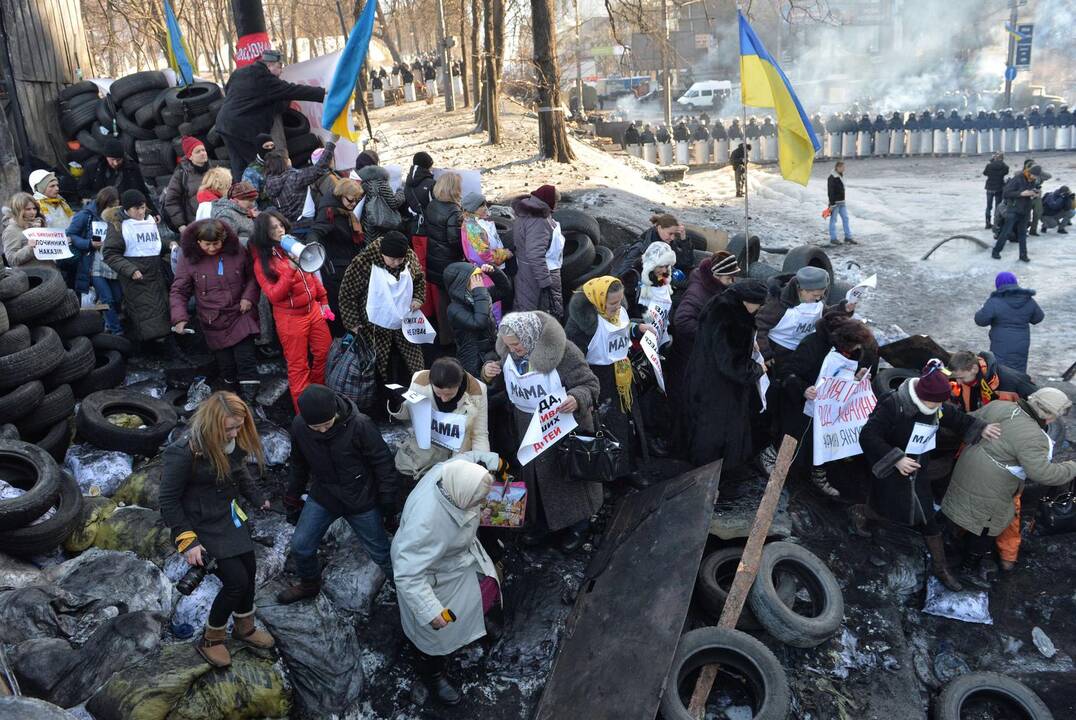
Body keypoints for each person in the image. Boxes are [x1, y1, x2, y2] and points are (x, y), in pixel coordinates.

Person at [859, 361, 999, 591]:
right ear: (922, 396)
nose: (939, 407)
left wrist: (980, 427)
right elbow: (869, 435)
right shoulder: (893, 405)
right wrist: (897, 459)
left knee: (927, 517)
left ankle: (940, 567)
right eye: (936, 402)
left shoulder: (936, 407)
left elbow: (955, 417)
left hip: (918, 471)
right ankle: (866, 521)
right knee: (880, 502)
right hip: (892, 470)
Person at [159, 391, 273, 667]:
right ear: (212, 425)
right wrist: (188, 541)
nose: (235, 433)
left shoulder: (233, 443)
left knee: (249, 571)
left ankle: (245, 627)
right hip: (199, 525)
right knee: (235, 582)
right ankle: (212, 638)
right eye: (229, 428)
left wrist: (258, 498)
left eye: (238, 426)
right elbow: (168, 500)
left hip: (228, 516)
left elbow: (238, 471)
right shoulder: (183, 452)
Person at [481, 312, 600, 552]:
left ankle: (579, 522)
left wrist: (577, 399)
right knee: (537, 478)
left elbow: (590, 384)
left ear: (531, 337)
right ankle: (544, 522)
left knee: (568, 476)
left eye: (518, 344)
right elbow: (497, 375)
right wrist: (487, 372)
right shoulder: (507, 352)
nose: (514, 350)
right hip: (527, 426)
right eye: (509, 345)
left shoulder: (564, 351)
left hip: (564, 426)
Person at [391, 455, 503, 706]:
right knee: (432, 634)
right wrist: (430, 610)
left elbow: (471, 458)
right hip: (432, 576)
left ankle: (477, 623)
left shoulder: (452, 475)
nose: (484, 504)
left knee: (478, 592)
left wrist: (494, 462)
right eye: (479, 501)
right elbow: (408, 573)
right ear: (463, 497)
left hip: (457, 561)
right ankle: (432, 674)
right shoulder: (426, 523)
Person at [277, 384, 398, 603]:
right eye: (316, 427)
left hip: (361, 498)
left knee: (381, 552)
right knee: (301, 546)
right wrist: (292, 497)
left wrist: (388, 501)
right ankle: (309, 584)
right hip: (325, 494)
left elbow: (383, 463)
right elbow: (298, 464)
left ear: (335, 412)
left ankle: (406, 590)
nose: (323, 430)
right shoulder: (299, 427)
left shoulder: (361, 425)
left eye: (326, 424)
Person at [943, 388, 1074, 580]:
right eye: (1055, 415)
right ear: (1047, 414)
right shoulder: (1034, 437)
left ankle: (947, 545)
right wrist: (1071, 467)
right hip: (992, 482)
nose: (1055, 420)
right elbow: (1043, 473)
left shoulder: (1000, 406)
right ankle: (968, 568)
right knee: (987, 525)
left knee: (961, 508)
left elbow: (968, 420)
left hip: (968, 464)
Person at [565, 277, 655, 488]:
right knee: (605, 427)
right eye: (612, 303)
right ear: (598, 301)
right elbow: (572, 357)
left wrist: (638, 328)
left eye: (619, 301)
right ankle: (608, 475)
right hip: (599, 379)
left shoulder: (619, 312)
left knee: (629, 424)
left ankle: (629, 468)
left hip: (623, 377)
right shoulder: (580, 325)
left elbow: (623, 327)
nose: (617, 306)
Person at [775, 312, 877, 498]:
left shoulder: (855, 350)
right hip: (803, 405)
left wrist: (858, 378)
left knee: (823, 442)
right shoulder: (812, 345)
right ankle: (776, 464)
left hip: (831, 408)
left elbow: (844, 377)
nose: (856, 349)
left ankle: (818, 473)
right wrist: (803, 388)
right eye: (854, 346)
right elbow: (787, 372)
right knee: (796, 441)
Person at [250, 210, 332, 409]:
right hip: (290, 318)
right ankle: (305, 412)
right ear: (264, 233)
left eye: (280, 225)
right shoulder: (262, 263)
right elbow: (274, 295)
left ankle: (319, 397)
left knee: (325, 353)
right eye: (273, 228)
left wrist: (323, 300)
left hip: (312, 310)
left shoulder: (291, 247)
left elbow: (311, 277)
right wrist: (291, 271)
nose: (280, 230)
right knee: (298, 366)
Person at [683, 279, 769, 468]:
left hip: (702, 374)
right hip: (720, 389)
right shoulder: (735, 321)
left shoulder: (719, 303)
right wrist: (756, 369)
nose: (759, 309)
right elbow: (730, 362)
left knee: (702, 428)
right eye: (759, 305)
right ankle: (714, 475)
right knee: (715, 436)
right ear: (749, 300)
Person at [170, 219, 261, 395]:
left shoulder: (237, 251)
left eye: (216, 244)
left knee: (246, 360)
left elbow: (252, 276)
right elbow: (179, 291)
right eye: (207, 245)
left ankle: (251, 401)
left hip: (239, 313)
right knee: (227, 366)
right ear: (198, 242)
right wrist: (180, 318)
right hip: (212, 320)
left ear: (224, 239)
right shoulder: (188, 258)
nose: (212, 248)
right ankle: (232, 398)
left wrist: (248, 297)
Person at [216, 49, 327, 182]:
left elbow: (228, 89)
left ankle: (239, 195)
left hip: (223, 123)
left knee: (238, 165)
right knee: (259, 163)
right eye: (279, 67)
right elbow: (293, 90)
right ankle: (265, 194)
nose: (281, 71)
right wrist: (323, 92)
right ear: (269, 65)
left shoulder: (240, 72)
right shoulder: (265, 79)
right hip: (243, 129)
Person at [338, 231, 426, 385]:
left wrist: (418, 298)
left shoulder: (409, 257)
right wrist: (353, 324)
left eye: (401, 259)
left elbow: (419, 279)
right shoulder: (363, 263)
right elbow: (347, 294)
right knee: (378, 370)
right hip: (373, 329)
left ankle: (414, 390)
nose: (398, 263)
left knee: (411, 366)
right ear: (382, 253)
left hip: (404, 324)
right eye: (393, 259)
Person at [391, 356, 491, 482]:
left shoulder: (477, 391)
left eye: (449, 394)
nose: (443, 398)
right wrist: (399, 405)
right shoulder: (419, 380)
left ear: (459, 385)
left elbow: (479, 434)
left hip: (458, 454)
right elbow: (411, 416)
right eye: (438, 393)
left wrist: (481, 464)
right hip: (425, 454)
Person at [102, 190, 171, 343]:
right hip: (136, 277)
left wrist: (170, 244)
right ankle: (149, 346)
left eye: (143, 208)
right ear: (127, 209)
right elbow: (110, 253)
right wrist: (130, 270)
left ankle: (163, 342)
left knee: (160, 308)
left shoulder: (148, 220)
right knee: (145, 312)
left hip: (155, 272)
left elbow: (154, 242)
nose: (141, 212)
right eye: (136, 209)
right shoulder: (117, 226)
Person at [755, 266, 846, 368]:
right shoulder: (777, 305)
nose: (819, 298)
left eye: (822, 294)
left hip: (801, 351)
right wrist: (765, 354)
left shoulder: (817, 301)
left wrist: (843, 308)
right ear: (802, 290)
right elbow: (759, 328)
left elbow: (827, 315)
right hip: (777, 353)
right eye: (815, 295)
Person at [309, 178, 364, 335]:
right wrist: (312, 249)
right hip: (335, 269)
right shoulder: (330, 212)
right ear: (341, 195)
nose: (354, 204)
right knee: (340, 307)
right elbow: (316, 231)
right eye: (351, 200)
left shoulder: (343, 211)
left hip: (345, 265)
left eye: (356, 201)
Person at [443, 262, 510, 378]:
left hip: (491, 353)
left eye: (479, 277)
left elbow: (505, 290)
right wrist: (479, 291)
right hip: (473, 360)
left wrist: (494, 272)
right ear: (461, 284)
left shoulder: (481, 296)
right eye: (474, 279)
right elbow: (479, 322)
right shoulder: (454, 309)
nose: (479, 282)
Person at [971, 272, 1044, 373]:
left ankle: (1002, 388)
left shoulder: (994, 301)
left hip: (1000, 343)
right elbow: (1038, 317)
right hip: (1021, 343)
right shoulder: (1028, 300)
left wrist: (983, 308)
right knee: (1019, 369)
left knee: (1000, 370)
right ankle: (1018, 387)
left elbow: (980, 320)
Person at [511, 185, 563, 317]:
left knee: (524, 307)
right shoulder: (539, 219)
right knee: (541, 313)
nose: (557, 205)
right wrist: (545, 281)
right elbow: (535, 254)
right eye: (556, 201)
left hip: (525, 269)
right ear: (548, 201)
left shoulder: (527, 212)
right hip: (538, 273)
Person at [66, 186, 118, 309]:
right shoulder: (85, 215)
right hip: (91, 263)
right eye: (110, 206)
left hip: (110, 262)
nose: (112, 210)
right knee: (107, 299)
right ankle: (115, 328)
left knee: (117, 297)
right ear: (103, 203)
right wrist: (88, 244)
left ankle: (107, 323)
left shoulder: (116, 216)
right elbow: (71, 234)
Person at [263, 139, 338, 222]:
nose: (289, 160)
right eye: (287, 158)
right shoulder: (293, 178)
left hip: (290, 225)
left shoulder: (268, 184)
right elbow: (319, 168)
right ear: (283, 162)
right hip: (305, 223)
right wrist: (332, 142)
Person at [77, 138, 155, 213]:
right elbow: (82, 189)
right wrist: (101, 197)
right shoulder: (93, 168)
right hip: (99, 207)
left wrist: (154, 212)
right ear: (106, 157)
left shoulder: (132, 168)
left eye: (118, 160)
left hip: (125, 209)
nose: (115, 163)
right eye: (112, 160)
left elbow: (142, 192)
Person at [947, 348, 1037, 413]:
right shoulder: (967, 377)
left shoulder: (1012, 381)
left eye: (961, 378)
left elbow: (1041, 407)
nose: (958, 382)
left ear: (974, 369)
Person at [613, 213, 694, 281]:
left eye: (674, 234)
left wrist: (684, 239)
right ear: (659, 228)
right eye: (670, 234)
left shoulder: (667, 242)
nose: (672, 238)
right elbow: (622, 275)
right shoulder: (640, 248)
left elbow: (686, 263)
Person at [992, 164, 1041, 262]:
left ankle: (1023, 255)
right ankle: (996, 251)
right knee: (1005, 232)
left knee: (1022, 234)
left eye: (1036, 177)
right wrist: (1021, 194)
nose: (1035, 178)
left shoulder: (1033, 180)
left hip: (1025, 211)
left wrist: (1034, 194)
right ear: (1029, 173)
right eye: (1034, 176)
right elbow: (1006, 193)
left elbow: (1030, 191)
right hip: (1013, 210)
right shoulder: (1017, 178)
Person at [423, 172, 464, 290]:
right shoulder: (454, 211)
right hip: (449, 262)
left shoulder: (432, 204)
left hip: (434, 259)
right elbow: (454, 241)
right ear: (454, 189)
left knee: (442, 298)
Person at [164, 137, 211, 233]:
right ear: (190, 156)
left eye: (203, 150)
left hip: (216, 222)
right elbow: (171, 200)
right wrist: (181, 225)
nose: (203, 153)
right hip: (195, 226)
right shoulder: (181, 174)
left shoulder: (214, 170)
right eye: (198, 152)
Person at [355, 151, 406, 238]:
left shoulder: (357, 183)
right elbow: (394, 203)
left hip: (365, 230)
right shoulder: (378, 182)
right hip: (380, 229)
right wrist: (400, 192)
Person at [2, 192, 49, 268]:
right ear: (18, 210)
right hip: (31, 276)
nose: (33, 212)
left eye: (34, 208)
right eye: (28, 209)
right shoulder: (11, 230)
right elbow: (12, 260)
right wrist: (29, 248)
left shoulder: (38, 223)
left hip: (50, 272)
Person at [209, 181, 260, 246]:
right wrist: (254, 243)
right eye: (250, 201)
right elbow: (228, 241)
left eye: (254, 200)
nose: (253, 204)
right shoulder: (226, 215)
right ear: (235, 200)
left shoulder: (243, 210)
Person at [403, 151, 436, 235]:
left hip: (411, 226)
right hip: (427, 228)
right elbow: (435, 207)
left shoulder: (407, 182)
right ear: (427, 166)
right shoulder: (431, 183)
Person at [241, 134, 276, 206]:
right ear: (259, 148)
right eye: (266, 146)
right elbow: (250, 198)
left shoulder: (280, 162)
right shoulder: (251, 171)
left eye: (272, 146)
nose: (270, 149)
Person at [827, 161, 854, 245]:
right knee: (833, 221)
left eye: (844, 167)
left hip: (842, 202)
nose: (844, 169)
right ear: (837, 167)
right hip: (835, 203)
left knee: (846, 218)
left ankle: (848, 237)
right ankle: (833, 238)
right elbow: (830, 192)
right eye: (842, 167)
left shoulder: (840, 176)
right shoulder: (832, 177)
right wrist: (832, 204)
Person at [982, 152, 1008, 229]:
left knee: (988, 206)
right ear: (1002, 159)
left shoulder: (989, 165)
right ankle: (996, 223)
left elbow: (985, 173)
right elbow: (1006, 171)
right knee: (998, 207)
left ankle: (987, 223)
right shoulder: (1004, 166)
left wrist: (991, 161)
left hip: (989, 187)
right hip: (999, 187)